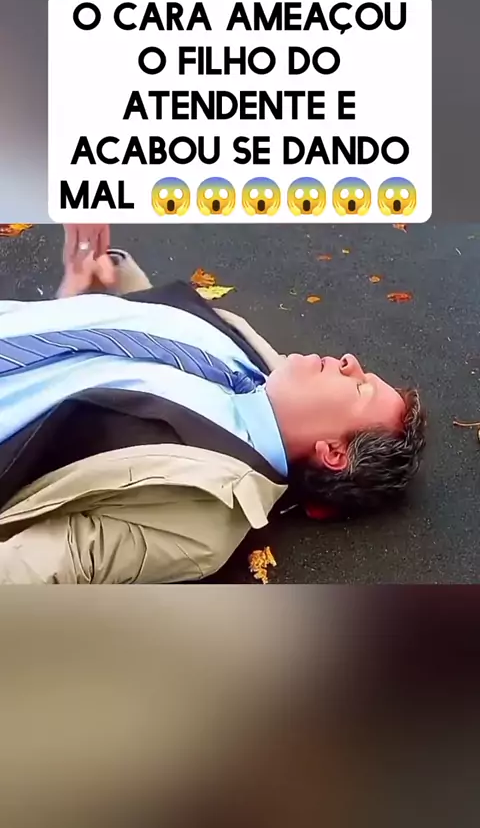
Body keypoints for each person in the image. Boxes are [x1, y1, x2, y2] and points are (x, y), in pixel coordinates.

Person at [0, 248, 425, 584]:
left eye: (361, 387)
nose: (351, 361)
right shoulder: (252, 360)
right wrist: (108, 285)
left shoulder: (203, 520)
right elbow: (135, 351)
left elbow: (50, 563)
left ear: (334, 452)